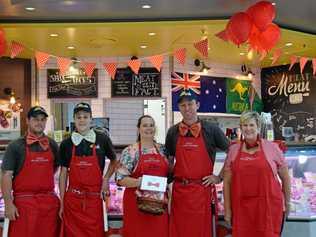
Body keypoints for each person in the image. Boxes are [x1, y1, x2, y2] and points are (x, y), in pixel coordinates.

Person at [165, 89, 229, 237]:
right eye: (182, 105)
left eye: (190, 104)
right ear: (179, 108)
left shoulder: (211, 129)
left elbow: (232, 152)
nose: (187, 108)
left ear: (197, 105)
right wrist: (165, 185)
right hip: (179, 192)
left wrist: (218, 177)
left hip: (202, 191)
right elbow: (169, 160)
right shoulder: (173, 132)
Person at [223, 111, 291, 237]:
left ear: (258, 127)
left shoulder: (272, 148)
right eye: (245, 125)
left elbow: (285, 177)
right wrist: (227, 210)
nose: (248, 128)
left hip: (268, 208)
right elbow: (226, 182)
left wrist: (287, 203)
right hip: (241, 209)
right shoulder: (233, 150)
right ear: (241, 127)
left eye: (251, 125)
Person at [58, 102, 117, 237]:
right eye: (79, 117)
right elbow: (63, 174)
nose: (82, 120)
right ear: (74, 119)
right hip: (73, 202)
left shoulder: (102, 138)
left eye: (85, 116)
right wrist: (62, 201)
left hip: (94, 201)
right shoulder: (66, 143)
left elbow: (114, 161)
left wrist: (106, 178)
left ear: (91, 118)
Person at [1, 106, 60, 237]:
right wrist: (8, 204)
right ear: (27, 121)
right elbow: (6, 175)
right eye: (35, 119)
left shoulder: (53, 144)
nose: (39, 123)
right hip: (23, 205)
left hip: (48, 205)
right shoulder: (15, 146)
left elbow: (54, 168)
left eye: (43, 119)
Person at [116, 115, 169, 237]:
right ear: (138, 129)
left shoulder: (162, 149)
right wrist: (139, 182)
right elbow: (119, 179)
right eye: (145, 125)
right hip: (136, 205)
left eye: (151, 125)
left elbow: (169, 173)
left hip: (159, 205)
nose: (149, 128)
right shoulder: (130, 151)